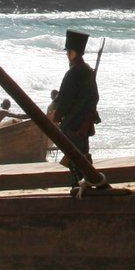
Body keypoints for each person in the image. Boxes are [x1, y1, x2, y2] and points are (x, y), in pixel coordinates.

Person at [48, 30, 99, 184]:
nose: (66, 55)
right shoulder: (88, 71)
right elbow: (94, 98)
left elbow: (65, 100)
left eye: (68, 52)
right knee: (82, 155)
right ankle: (85, 185)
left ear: (73, 53)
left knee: (76, 159)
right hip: (84, 123)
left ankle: (79, 187)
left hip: (72, 124)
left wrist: (57, 117)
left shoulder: (73, 73)